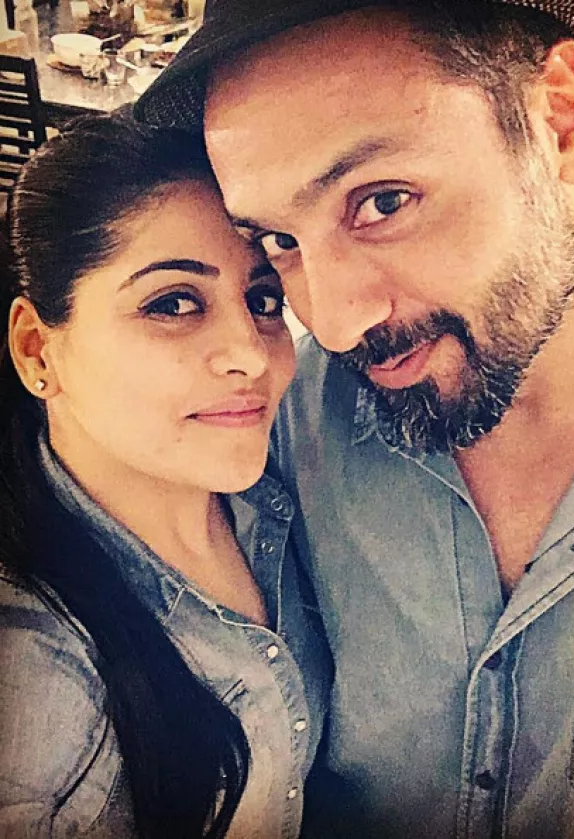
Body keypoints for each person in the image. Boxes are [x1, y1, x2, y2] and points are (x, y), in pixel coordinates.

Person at [136, 1, 574, 836]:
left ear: (562, 118)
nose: (334, 322)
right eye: (279, 240)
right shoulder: (287, 426)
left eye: (382, 202)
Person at [0, 113, 330, 839]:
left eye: (263, 301)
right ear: (36, 351)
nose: (250, 354)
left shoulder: (278, 496)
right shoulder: (39, 688)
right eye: (173, 303)